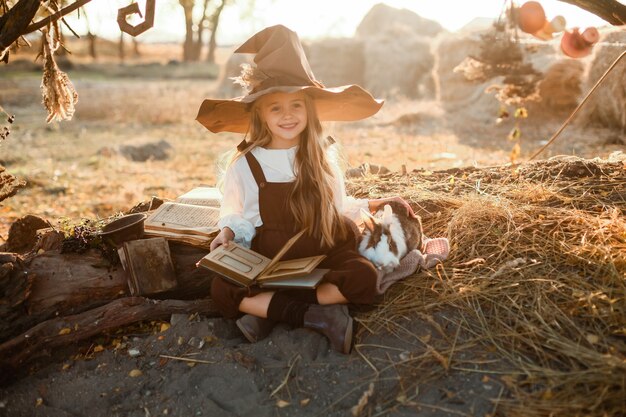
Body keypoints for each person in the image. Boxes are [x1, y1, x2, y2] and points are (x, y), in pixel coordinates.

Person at [196, 25, 414, 354]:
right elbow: (234, 208)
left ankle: (272, 310)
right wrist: (226, 230)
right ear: (260, 114)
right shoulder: (246, 164)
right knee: (222, 288)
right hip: (271, 255)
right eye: (276, 107)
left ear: (309, 110)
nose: (287, 115)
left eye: (296, 105)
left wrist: (373, 203)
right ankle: (313, 314)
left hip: (324, 243)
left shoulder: (321, 155)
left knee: (364, 277)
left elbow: (339, 206)